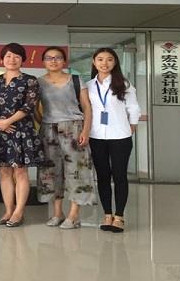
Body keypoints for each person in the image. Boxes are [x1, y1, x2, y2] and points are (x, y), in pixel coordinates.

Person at [0, 43, 48, 227]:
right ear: (2, 59)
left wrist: (7, 121)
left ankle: (19, 212)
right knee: (4, 172)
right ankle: (8, 211)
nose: (12, 59)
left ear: (22, 60)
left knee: (20, 171)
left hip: (21, 131)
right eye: (8, 56)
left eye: (17, 56)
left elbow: (29, 106)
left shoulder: (30, 80)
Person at [36, 46, 96, 229]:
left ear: (64, 61)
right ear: (43, 62)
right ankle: (57, 213)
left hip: (74, 128)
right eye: (49, 58)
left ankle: (74, 214)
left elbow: (86, 107)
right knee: (51, 171)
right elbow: (34, 109)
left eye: (58, 57)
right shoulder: (38, 82)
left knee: (77, 170)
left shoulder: (76, 80)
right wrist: (43, 123)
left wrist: (85, 131)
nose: (53, 61)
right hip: (48, 130)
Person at [87, 47, 141, 233]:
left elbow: (133, 108)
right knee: (102, 176)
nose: (105, 63)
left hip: (120, 136)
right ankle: (107, 214)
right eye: (100, 59)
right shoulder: (89, 85)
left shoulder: (123, 84)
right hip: (96, 136)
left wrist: (131, 127)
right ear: (94, 62)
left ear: (115, 62)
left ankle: (119, 216)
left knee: (119, 176)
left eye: (109, 59)